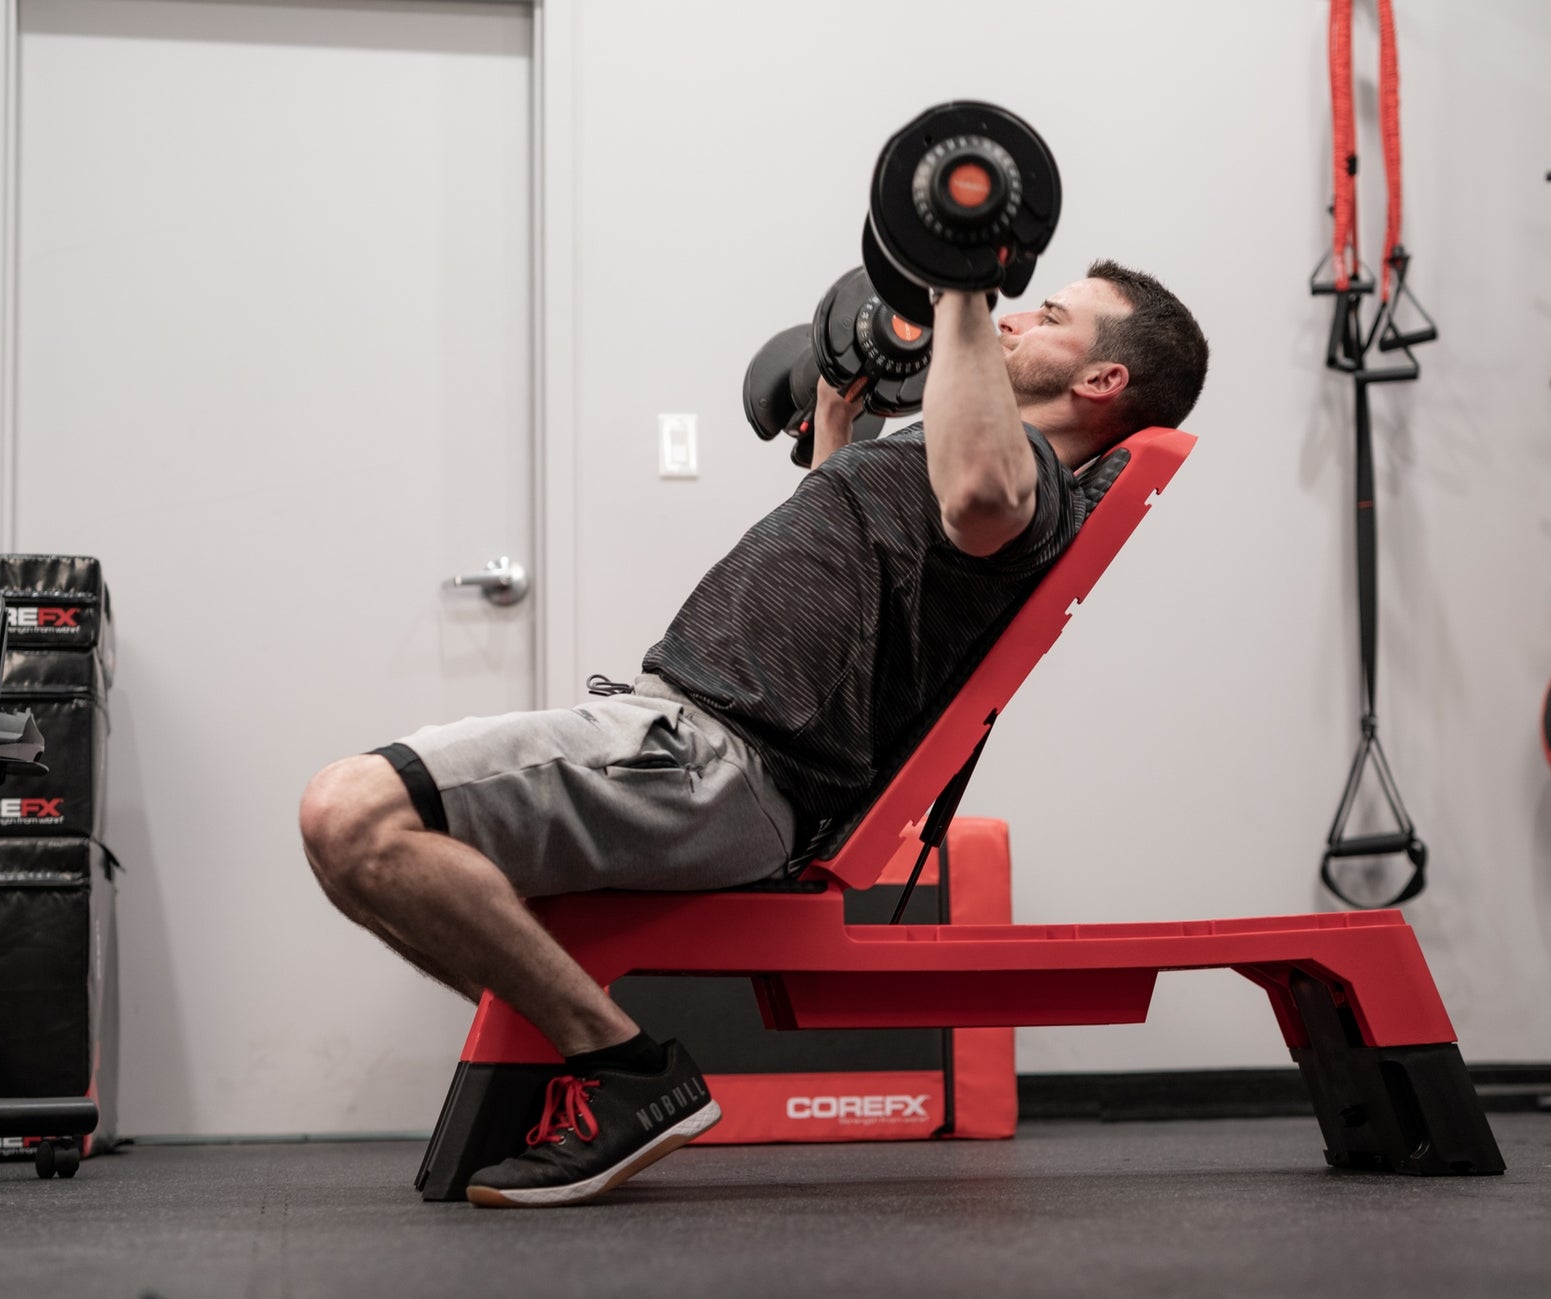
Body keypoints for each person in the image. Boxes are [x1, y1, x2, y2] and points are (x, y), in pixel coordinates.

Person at [299, 260, 1208, 1207]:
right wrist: (840, 434)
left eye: (1049, 314)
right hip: (691, 740)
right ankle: (602, 1062)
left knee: (351, 813)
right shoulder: (949, 464)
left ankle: (630, 1072)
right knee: (363, 841)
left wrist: (959, 285)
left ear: (1102, 379)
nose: (1014, 319)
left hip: (709, 757)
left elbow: (983, 494)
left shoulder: (1026, 486)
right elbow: (864, 586)